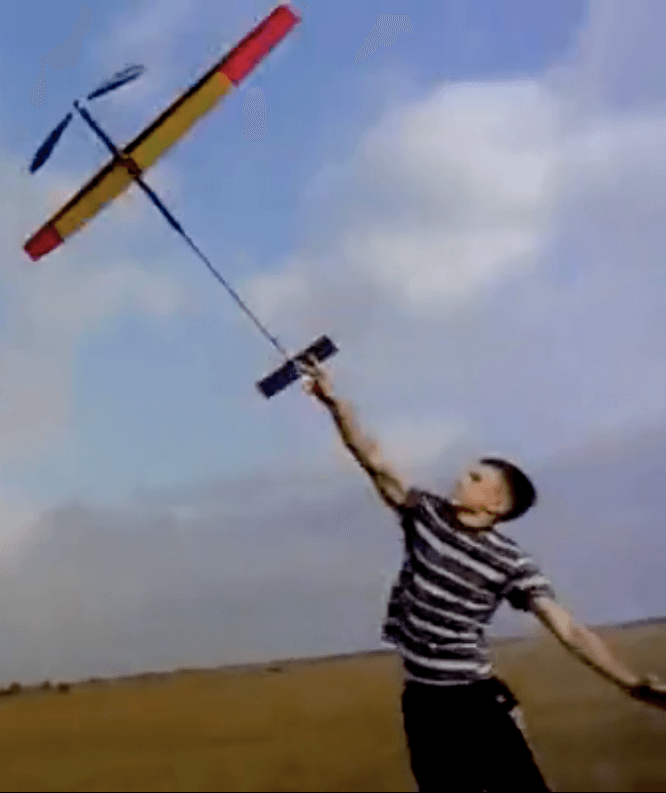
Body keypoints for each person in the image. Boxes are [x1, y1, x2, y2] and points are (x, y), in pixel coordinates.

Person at [299, 356, 666, 793]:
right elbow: (373, 461)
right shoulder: (425, 515)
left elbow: (567, 628)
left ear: (495, 505)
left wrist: (629, 683)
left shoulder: (510, 561)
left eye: (475, 477)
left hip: (475, 701)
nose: (461, 478)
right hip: (422, 703)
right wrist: (335, 406)